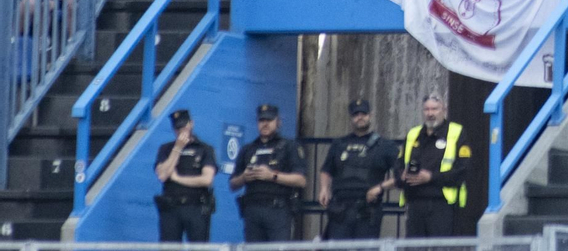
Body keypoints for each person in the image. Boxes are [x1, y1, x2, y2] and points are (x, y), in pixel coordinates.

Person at [316, 99, 397, 240]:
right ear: (351, 117)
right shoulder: (339, 144)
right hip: (340, 210)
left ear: (370, 115)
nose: (360, 117)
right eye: (356, 114)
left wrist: (380, 188)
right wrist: (324, 188)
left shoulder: (385, 145)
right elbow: (326, 170)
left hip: (367, 210)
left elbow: (401, 175)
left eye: (363, 114)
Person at [229, 102, 305, 243]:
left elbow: (301, 180)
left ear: (278, 122)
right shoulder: (248, 149)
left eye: (269, 120)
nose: (265, 124)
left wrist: (272, 176)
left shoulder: (288, 146)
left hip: (278, 210)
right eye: (261, 120)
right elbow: (232, 184)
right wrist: (244, 177)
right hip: (252, 210)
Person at [399, 94, 472, 238]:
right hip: (415, 202)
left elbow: (462, 170)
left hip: (441, 203)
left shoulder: (456, 132)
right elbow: (398, 165)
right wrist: (402, 174)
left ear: (444, 110)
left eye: (434, 109)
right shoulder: (414, 134)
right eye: (426, 109)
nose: (430, 113)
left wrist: (430, 177)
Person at [154, 109, 217, 243]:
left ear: (191, 124)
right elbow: (163, 175)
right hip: (171, 208)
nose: (181, 131)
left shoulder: (204, 149)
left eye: (184, 126)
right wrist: (177, 148)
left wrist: (177, 178)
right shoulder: (165, 149)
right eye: (177, 128)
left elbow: (207, 180)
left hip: (195, 207)